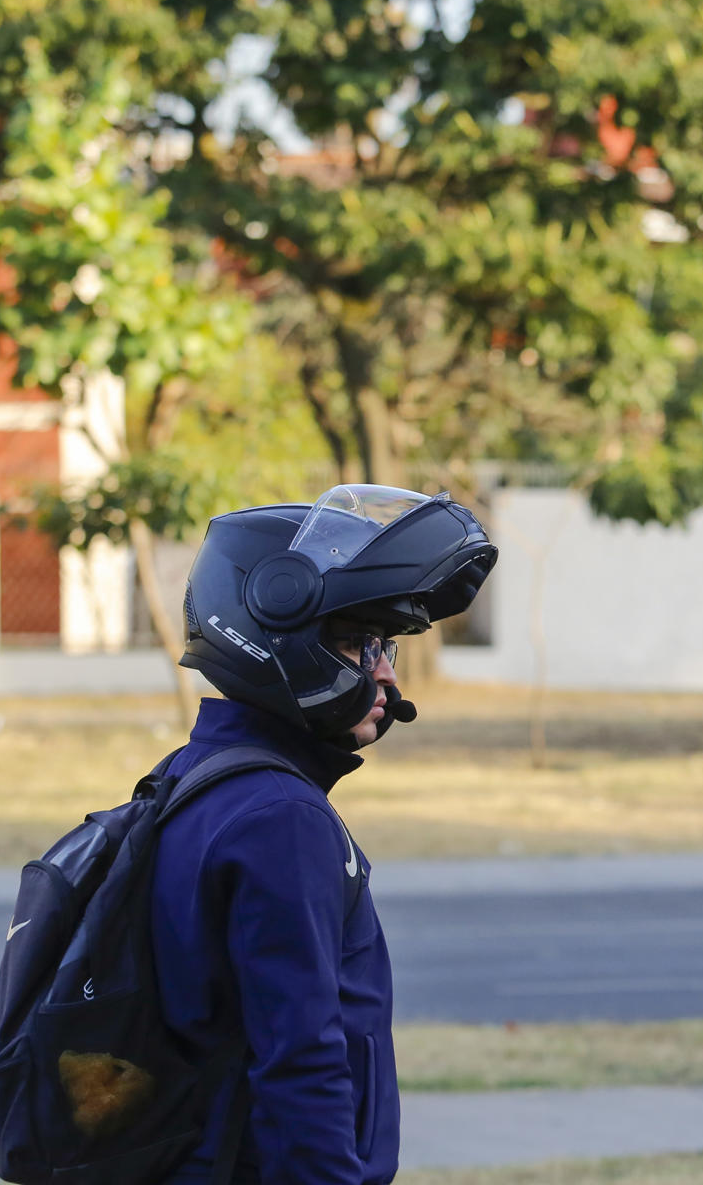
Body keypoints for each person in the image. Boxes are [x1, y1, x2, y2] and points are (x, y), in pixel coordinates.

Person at [149, 484, 496, 1185]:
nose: (387, 674)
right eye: (361, 643)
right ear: (280, 628)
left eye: (387, 643)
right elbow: (300, 1063)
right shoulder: (280, 818)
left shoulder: (197, 778)